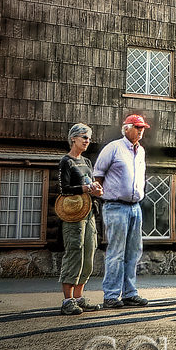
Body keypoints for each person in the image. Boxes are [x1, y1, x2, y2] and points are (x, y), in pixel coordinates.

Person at [93, 114, 150, 309]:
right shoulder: (113, 148)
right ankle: (110, 295)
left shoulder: (140, 151)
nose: (141, 130)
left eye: (142, 127)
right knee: (116, 252)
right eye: (137, 127)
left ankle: (130, 293)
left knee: (133, 252)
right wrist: (99, 193)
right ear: (126, 128)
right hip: (115, 206)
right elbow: (98, 174)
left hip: (135, 207)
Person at [57, 123, 102, 315]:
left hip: (89, 210)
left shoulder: (87, 162)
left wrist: (97, 190)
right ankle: (68, 300)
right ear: (73, 138)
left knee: (89, 252)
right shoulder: (66, 162)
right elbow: (63, 189)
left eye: (89, 138)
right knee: (75, 251)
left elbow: (90, 184)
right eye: (83, 137)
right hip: (72, 213)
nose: (87, 141)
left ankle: (79, 297)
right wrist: (84, 189)